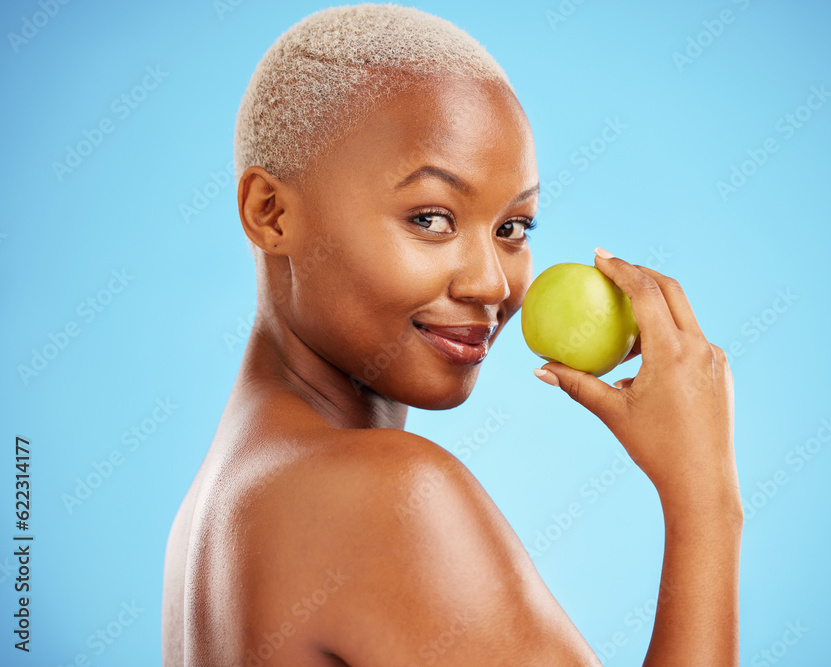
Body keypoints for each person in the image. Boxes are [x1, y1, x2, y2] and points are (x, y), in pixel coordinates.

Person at [161, 4, 742, 665]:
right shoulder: (385, 495)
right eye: (432, 218)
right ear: (271, 213)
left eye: (512, 228)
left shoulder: (222, 504)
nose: (492, 285)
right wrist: (706, 499)